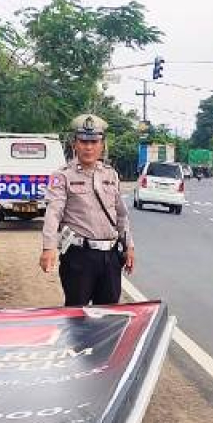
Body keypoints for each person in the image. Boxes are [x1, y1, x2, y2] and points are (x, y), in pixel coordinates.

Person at [39, 114, 135, 306]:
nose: (88, 147)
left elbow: (121, 215)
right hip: (79, 257)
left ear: (102, 145)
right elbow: (54, 213)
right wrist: (48, 247)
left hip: (110, 256)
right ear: (75, 144)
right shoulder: (62, 176)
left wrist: (129, 246)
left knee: (109, 318)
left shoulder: (110, 174)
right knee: (77, 315)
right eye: (83, 141)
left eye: (94, 142)